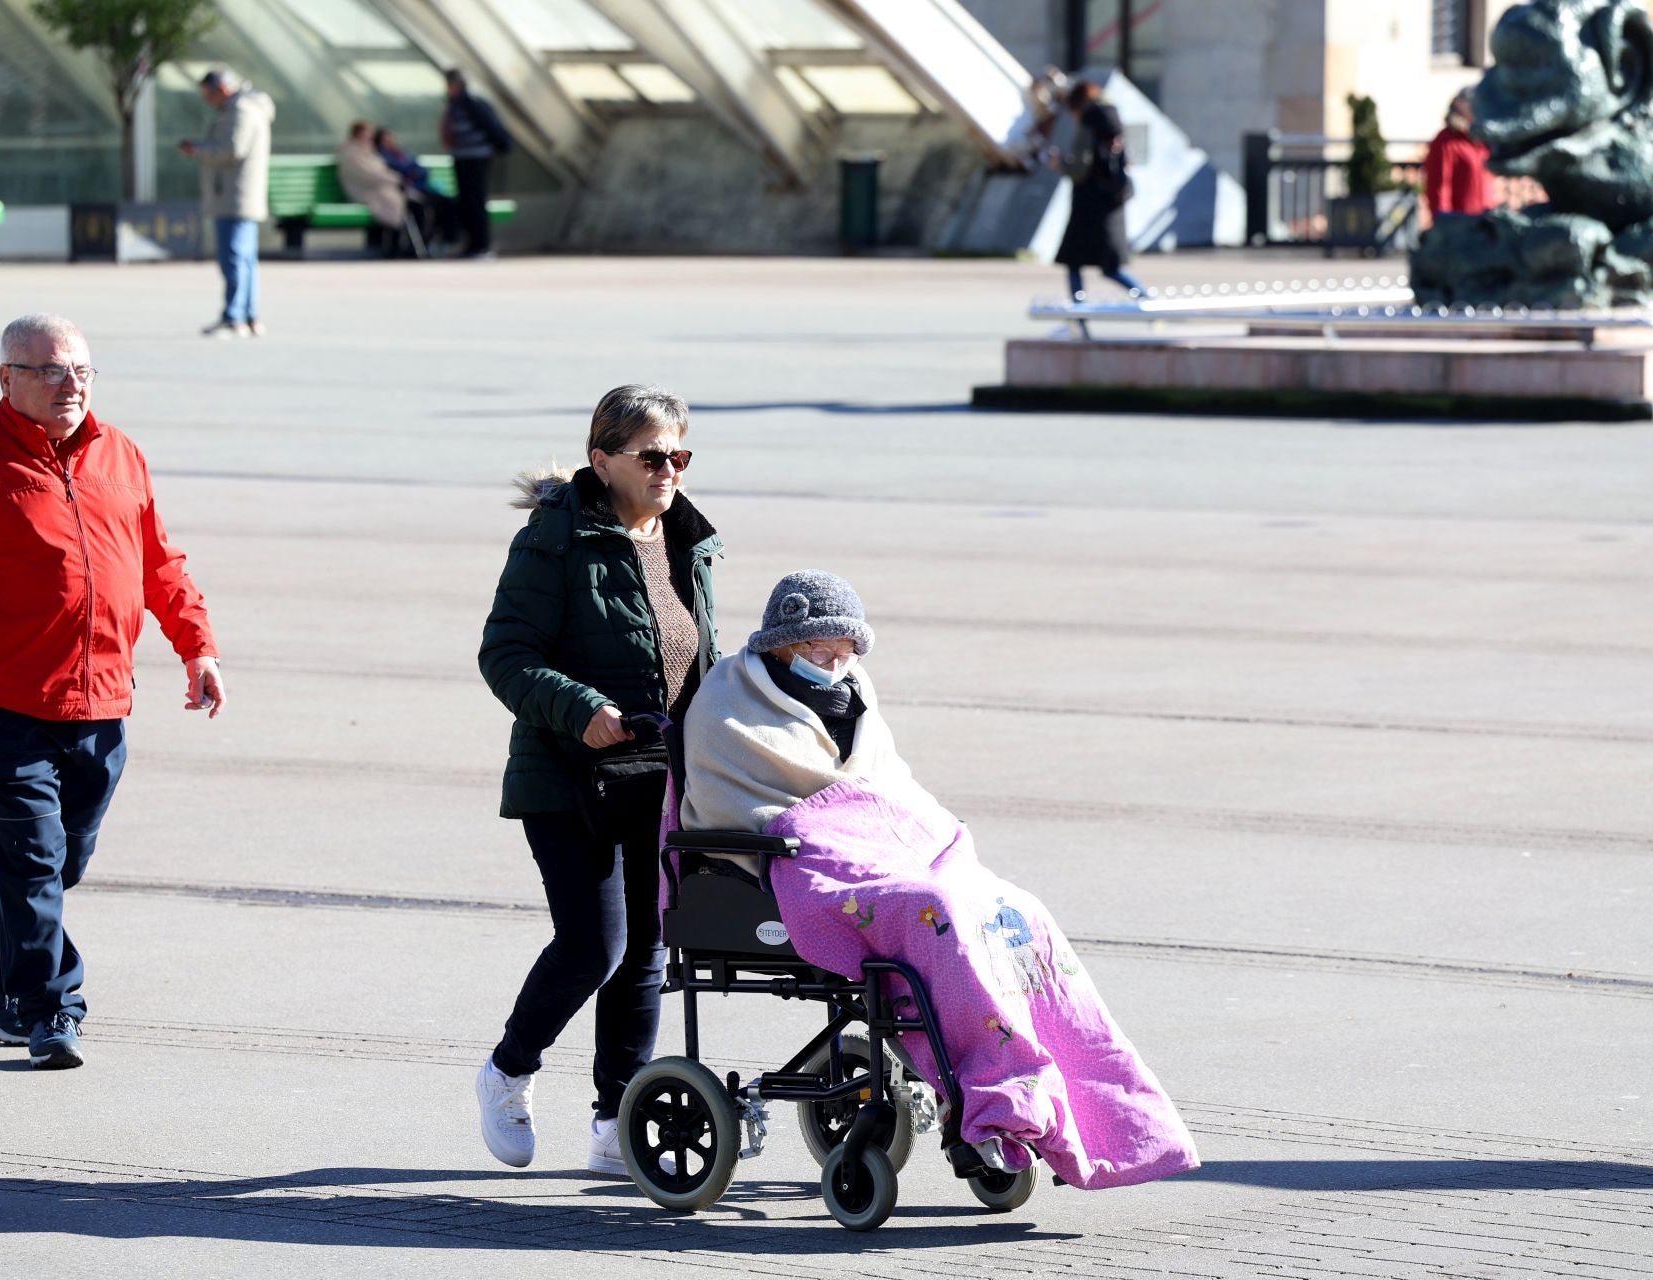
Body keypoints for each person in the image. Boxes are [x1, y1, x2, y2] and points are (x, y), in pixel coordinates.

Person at [679, 572, 1200, 1191]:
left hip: (888, 853)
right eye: (820, 650)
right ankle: (995, 1102)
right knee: (938, 909)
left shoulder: (856, 696)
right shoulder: (728, 699)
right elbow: (728, 798)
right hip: (810, 863)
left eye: (845, 651)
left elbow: (887, 786)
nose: (835, 663)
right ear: (781, 644)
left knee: (1016, 910)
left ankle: (1087, 1114)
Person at [0, 314, 226, 1070]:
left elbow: (159, 565)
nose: (72, 385)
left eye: (82, 371)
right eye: (51, 371)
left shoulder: (120, 455)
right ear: (7, 379)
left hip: (101, 703)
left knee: (58, 863)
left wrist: (196, 647)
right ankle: (49, 1008)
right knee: (33, 863)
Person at [476, 385, 723, 1175]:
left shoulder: (690, 540)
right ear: (601, 459)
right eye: (652, 455)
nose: (669, 470)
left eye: (679, 454)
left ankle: (615, 1121)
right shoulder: (555, 538)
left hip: (656, 778)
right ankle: (509, 1071)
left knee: (648, 950)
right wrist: (581, 708)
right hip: (567, 774)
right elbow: (506, 654)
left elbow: (699, 661)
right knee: (595, 946)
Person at [181, 69, 276, 338]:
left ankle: (234, 318)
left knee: (233, 259)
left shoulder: (240, 111)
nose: (207, 101)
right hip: (239, 195)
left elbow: (232, 150)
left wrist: (197, 150)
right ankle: (248, 317)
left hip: (234, 196)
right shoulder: (246, 107)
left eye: (208, 95)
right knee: (244, 260)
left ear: (221, 89)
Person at [1047, 80, 1146, 300]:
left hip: (1088, 206)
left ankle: (1078, 313)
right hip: (1112, 203)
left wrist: (1060, 163)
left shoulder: (1089, 123)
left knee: (1074, 262)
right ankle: (1147, 301)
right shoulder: (1112, 121)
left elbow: (1079, 168)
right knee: (1111, 268)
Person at [439, 69, 512, 259]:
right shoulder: (455, 105)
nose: (448, 88)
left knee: (475, 201)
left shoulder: (471, 104)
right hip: (462, 157)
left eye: (450, 84)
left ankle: (482, 245)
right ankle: (472, 244)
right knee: (466, 201)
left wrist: (500, 146)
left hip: (476, 158)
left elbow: (492, 128)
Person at [375, 125, 458, 249]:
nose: (390, 141)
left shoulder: (401, 153)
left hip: (420, 187)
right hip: (406, 191)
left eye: (391, 138)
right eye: (386, 140)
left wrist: (412, 172)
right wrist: (411, 172)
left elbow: (421, 170)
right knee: (421, 207)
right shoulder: (382, 156)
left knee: (449, 202)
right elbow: (401, 169)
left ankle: (445, 239)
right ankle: (421, 245)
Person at [1424, 90, 1495, 219]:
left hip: (1486, 221)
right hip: (1461, 224)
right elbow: (1439, 188)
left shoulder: (1483, 140)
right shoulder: (1447, 142)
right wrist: (1443, 222)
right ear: (1459, 104)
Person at [336, 121, 409, 243]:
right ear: (357, 134)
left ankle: (400, 243)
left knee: (406, 202)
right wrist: (395, 179)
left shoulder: (369, 151)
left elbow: (380, 171)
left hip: (377, 189)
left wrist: (393, 179)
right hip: (363, 190)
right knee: (394, 201)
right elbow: (366, 174)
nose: (370, 136)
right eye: (367, 133)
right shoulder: (351, 153)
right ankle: (395, 244)